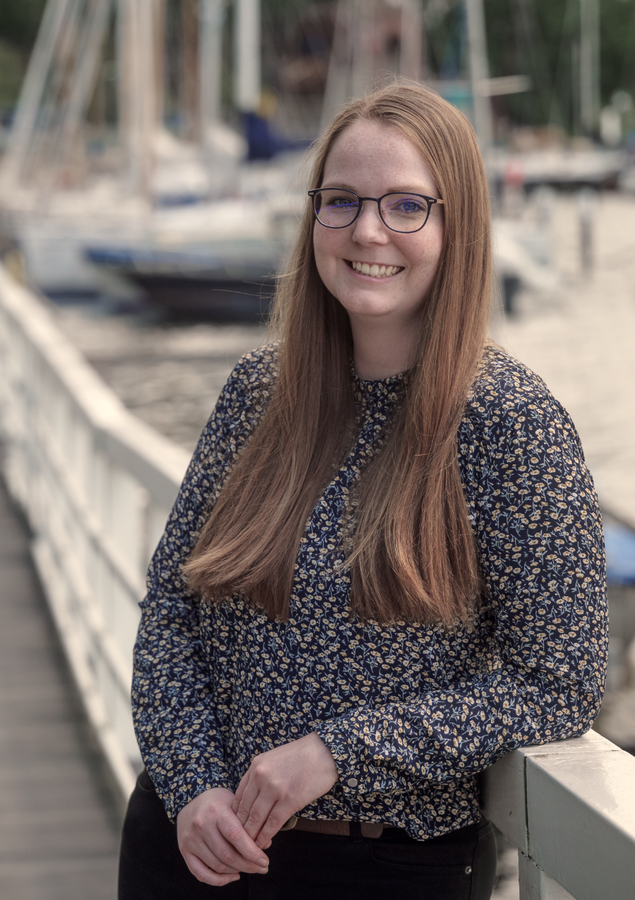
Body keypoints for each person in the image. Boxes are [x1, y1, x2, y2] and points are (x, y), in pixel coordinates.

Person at [117, 82, 608, 900]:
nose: (368, 230)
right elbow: (172, 608)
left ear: (459, 227)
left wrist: (339, 751)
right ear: (313, 218)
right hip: (192, 850)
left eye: (406, 204)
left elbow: (559, 681)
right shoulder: (259, 394)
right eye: (341, 201)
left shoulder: (507, 424)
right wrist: (190, 783)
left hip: (382, 868)